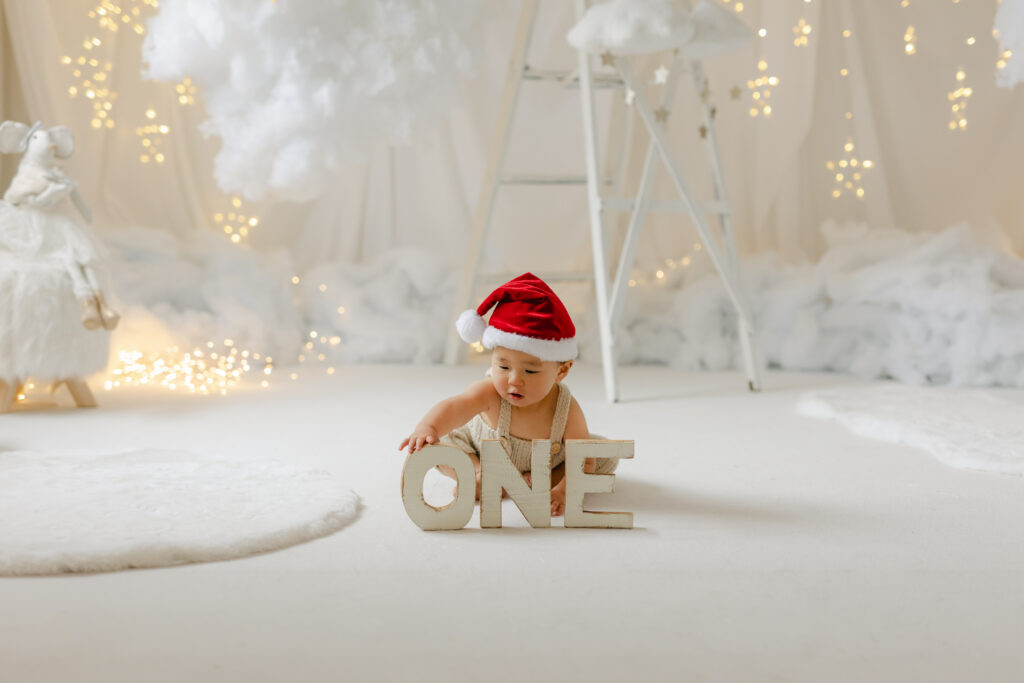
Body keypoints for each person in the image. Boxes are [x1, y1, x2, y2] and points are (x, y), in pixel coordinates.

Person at [399, 273, 616, 516]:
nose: (514, 380)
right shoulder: (489, 391)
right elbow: (455, 407)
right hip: (480, 452)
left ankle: (539, 481)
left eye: (531, 370)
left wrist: (564, 490)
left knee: (597, 453)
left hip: (544, 465)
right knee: (440, 446)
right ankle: (480, 472)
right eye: (503, 367)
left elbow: (581, 456)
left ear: (561, 371)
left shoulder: (565, 407)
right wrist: (427, 428)